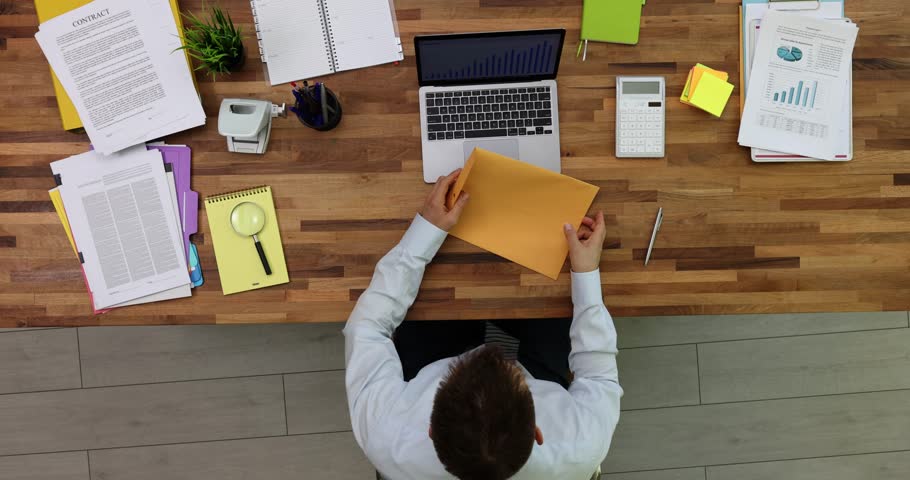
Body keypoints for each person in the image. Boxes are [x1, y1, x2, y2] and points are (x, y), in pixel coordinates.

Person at [343, 169, 623, 480]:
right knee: (556, 302)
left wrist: (425, 230)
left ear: (431, 429)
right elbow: (598, 376)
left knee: (425, 308)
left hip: (433, 357)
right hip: (535, 366)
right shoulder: (580, 445)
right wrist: (585, 272)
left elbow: (367, 328)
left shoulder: (386, 434)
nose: (487, 351)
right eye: (512, 374)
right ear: (538, 433)